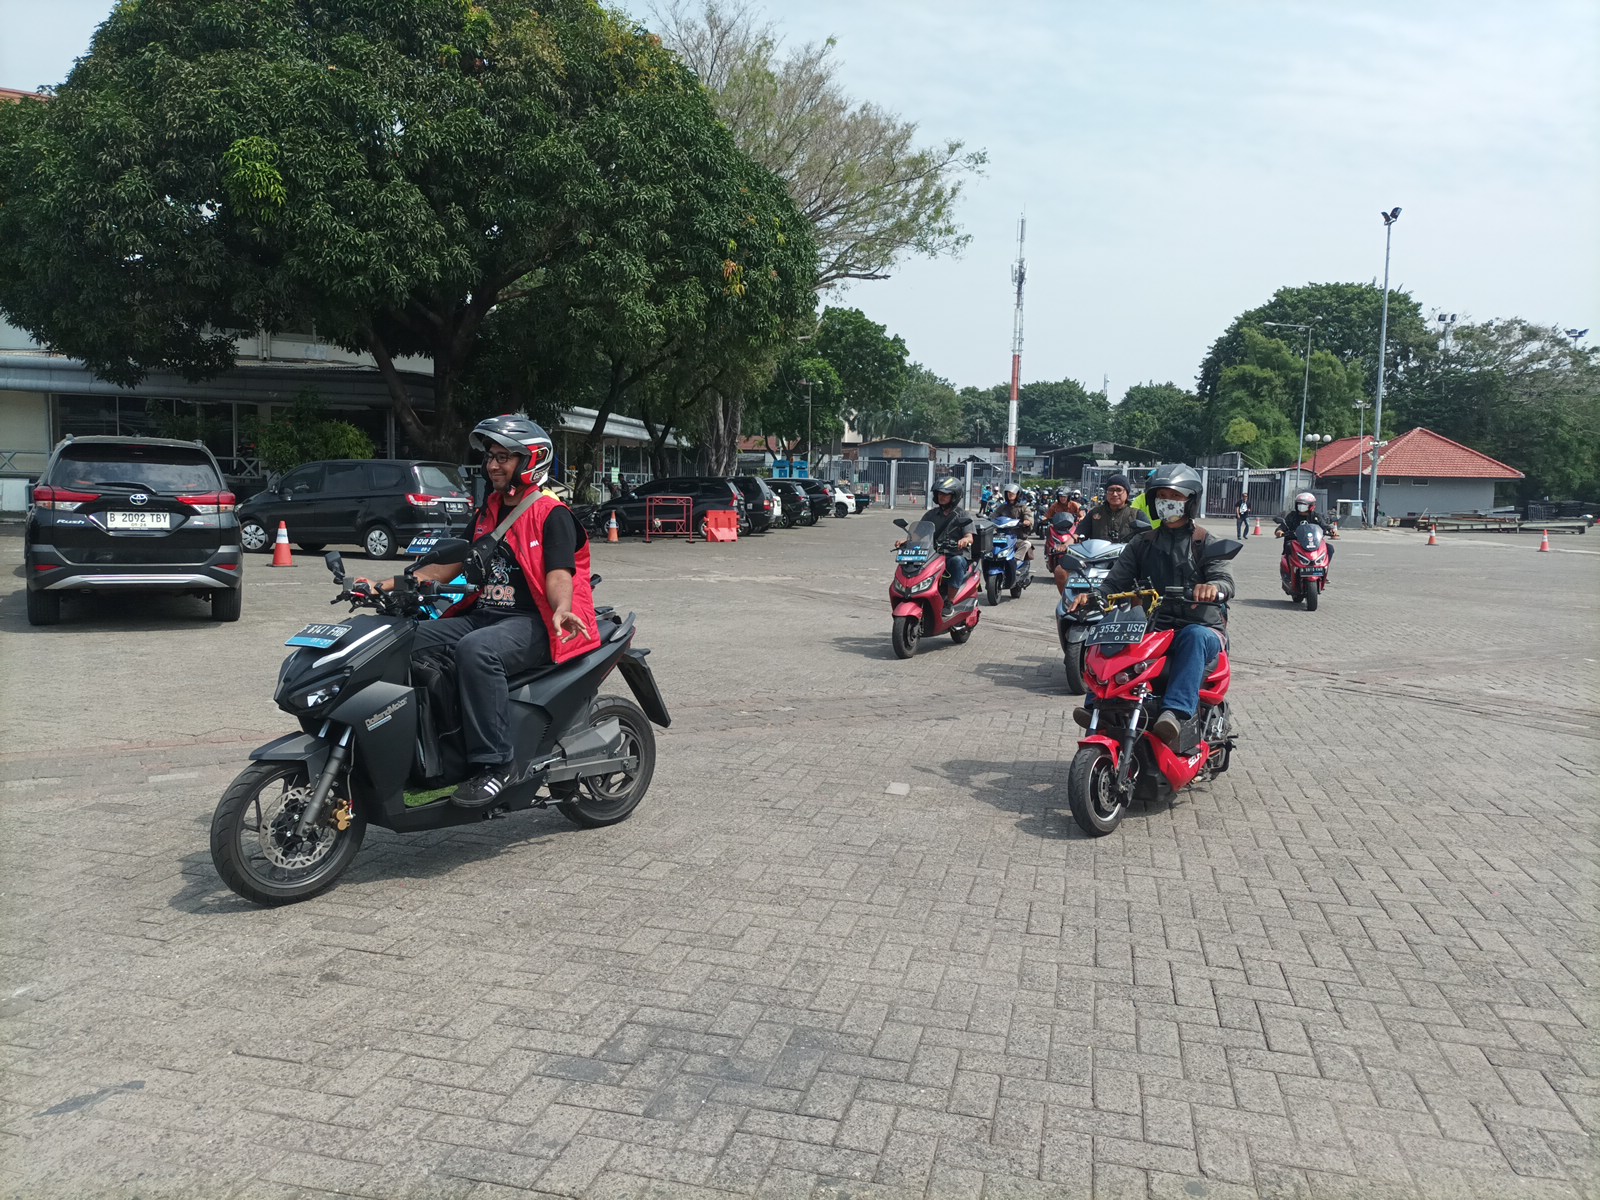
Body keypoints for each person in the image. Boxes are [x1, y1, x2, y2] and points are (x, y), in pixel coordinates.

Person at [362, 415, 601, 808]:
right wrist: (382, 585)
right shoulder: (488, 511)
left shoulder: (551, 514)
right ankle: (430, 750)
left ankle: (497, 764)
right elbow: (448, 566)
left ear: (530, 461)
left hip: (536, 623)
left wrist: (562, 608)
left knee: (477, 650)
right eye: (490, 456)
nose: (492, 465)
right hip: (485, 615)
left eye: (503, 457)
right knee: (401, 639)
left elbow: (560, 573)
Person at [1068, 463, 1235, 746]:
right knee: (1111, 626)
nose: (1167, 502)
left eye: (1175, 496)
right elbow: (1114, 583)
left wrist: (1212, 588)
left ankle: (1175, 713)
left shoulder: (1203, 542)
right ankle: (1097, 704)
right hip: (1155, 626)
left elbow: (1225, 581)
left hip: (1202, 627)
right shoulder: (1141, 543)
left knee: (1193, 636)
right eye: (1162, 496)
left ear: (1191, 501)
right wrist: (1093, 596)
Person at [1052, 473, 1141, 596]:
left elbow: (1147, 536)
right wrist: (1065, 545)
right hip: (1093, 561)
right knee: (1060, 570)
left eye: (1119, 490)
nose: (1115, 494)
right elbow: (1078, 533)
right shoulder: (1095, 513)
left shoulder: (1136, 514)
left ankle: (1136, 608)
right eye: (1111, 490)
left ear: (1127, 493)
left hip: (1124, 562)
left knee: (1140, 580)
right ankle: (1070, 603)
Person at [898, 476, 974, 613]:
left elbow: (969, 537)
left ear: (954, 496)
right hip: (934, 553)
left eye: (945, 494)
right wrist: (907, 540)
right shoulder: (931, 515)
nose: (941, 497)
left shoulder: (962, 514)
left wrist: (964, 540)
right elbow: (917, 535)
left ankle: (949, 602)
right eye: (939, 493)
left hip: (954, 553)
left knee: (957, 562)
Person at [1276, 491, 1338, 556]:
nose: (1301, 507)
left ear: (1311, 506)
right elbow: (1283, 526)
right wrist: (1279, 531)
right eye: (1299, 504)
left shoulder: (1316, 516)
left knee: (1330, 548)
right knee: (1288, 546)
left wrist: (1332, 530)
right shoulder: (1292, 516)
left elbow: (1324, 525)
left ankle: (1323, 563)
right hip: (1295, 542)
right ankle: (1289, 562)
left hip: (1313, 542)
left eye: (1304, 505)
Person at [989, 482, 1035, 564]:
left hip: (1017, 537)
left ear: (1018, 494)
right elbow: (993, 516)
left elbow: (1029, 517)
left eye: (1013, 493)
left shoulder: (1023, 507)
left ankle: (1016, 561)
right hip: (1002, 536)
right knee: (987, 544)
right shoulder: (1002, 507)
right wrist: (988, 519)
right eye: (1008, 493)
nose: (1010, 494)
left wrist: (1027, 522)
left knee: (1026, 544)